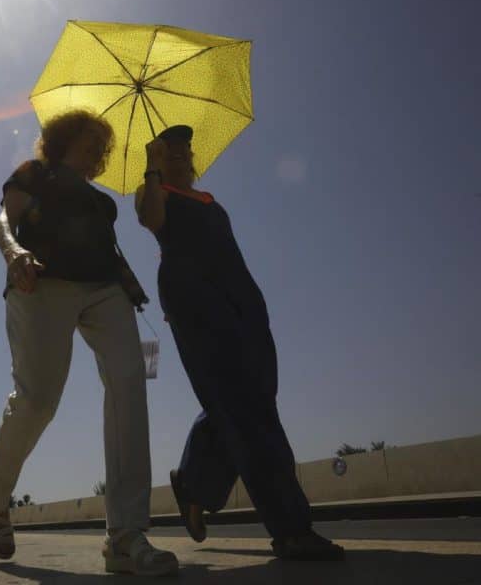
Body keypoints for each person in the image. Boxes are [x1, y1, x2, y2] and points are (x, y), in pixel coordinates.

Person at [0, 109, 178, 576]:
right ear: (63, 139)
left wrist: (132, 287)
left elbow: (111, 249)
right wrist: (14, 252)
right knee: (38, 401)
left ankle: (125, 535)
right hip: (42, 283)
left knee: (130, 382)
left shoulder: (102, 203)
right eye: (90, 139)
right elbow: (2, 221)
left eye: (102, 145)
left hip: (103, 290)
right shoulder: (35, 174)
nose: (98, 150)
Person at [135, 125, 345, 560]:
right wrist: (152, 170)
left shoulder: (209, 200)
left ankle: (194, 481)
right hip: (199, 305)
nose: (180, 157)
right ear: (157, 159)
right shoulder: (156, 194)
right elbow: (149, 219)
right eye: (168, 153)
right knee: (250, 415)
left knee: (246, 403)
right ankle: (291, 529)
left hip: (244, 306)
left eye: (184, 151)